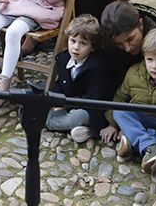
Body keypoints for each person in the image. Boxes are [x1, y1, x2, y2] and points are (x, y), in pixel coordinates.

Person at [99, 27, 156, 173]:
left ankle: (136, 141)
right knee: (119, 111)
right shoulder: (134, 73)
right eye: (149, 59)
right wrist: (113, 125)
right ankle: (149, 146)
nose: (154, 66)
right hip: (141, 116)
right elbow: (120, 98)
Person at [45, 15, 115, 143]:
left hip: (90, 109)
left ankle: (48, 121)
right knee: (44, 101)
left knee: (77, 117)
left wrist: (66, 104)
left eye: (83, 43)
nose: (76, 47)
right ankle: (82, 131)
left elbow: (95, 97)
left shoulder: (97, 67)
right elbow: (61, 83)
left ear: (92, 47)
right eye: (73, 41)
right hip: (68, 103)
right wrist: (55, 99)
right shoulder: (63, 59)